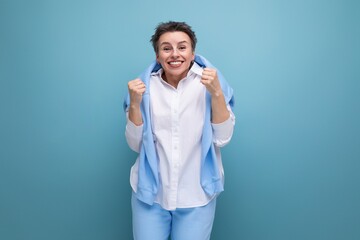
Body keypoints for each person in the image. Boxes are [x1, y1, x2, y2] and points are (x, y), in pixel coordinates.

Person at [124, 21, 235, 240]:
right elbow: (135, 145)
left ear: (193, 53)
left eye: (182, 47)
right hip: (151, 196)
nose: (175, 54)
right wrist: (135, 104)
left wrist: (217, 94)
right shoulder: (143, 88)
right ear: (158, 56)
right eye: (166, 48)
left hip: (197, 196)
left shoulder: (211, 84)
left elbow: (223, 138)